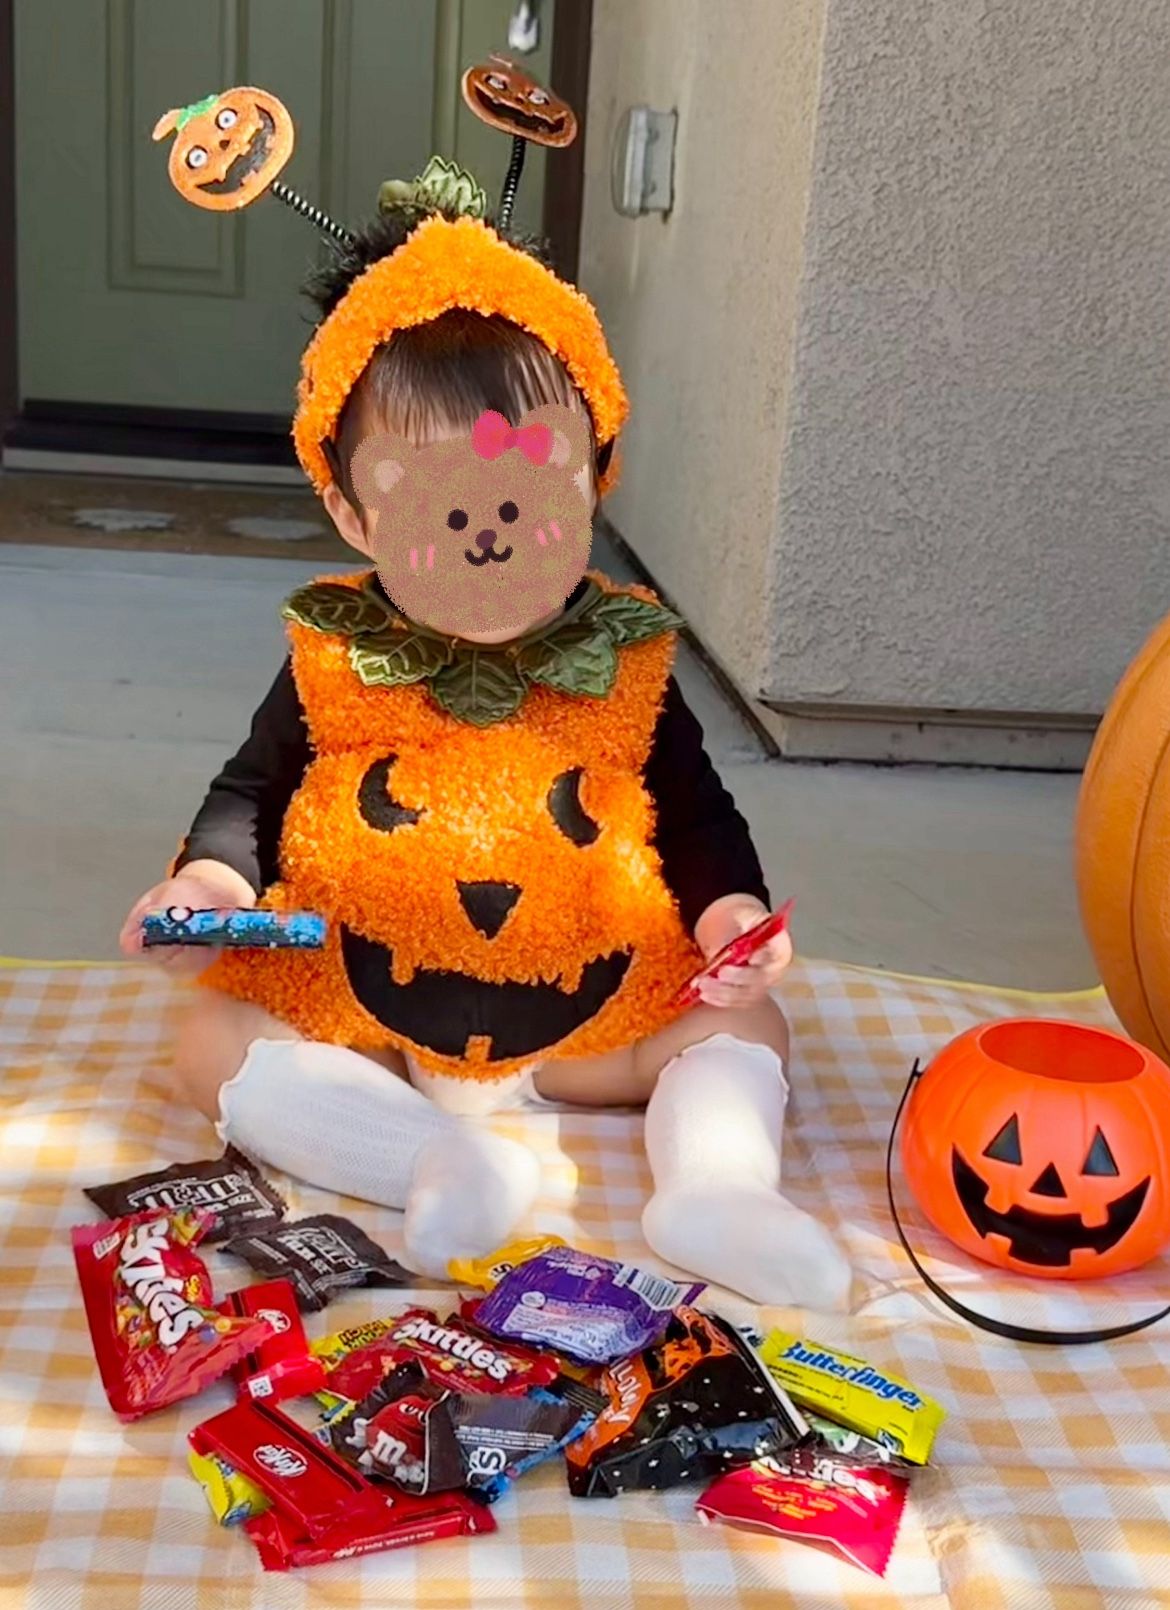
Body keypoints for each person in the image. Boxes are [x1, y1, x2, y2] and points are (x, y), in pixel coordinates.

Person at [119, 201, 850, 1311]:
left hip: (578, 1025)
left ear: (595, 473)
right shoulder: (338, 655)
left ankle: (717, 1191)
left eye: (526, 500)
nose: (489, 536)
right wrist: (208, 886)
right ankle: (434, 1157)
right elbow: (252, 796)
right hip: (377, 1017)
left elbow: (695, 813)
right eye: (442, 508)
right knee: (211, 1035)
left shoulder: (625, 654)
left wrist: (728, 917)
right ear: (352, 509)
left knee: (744, 1022)